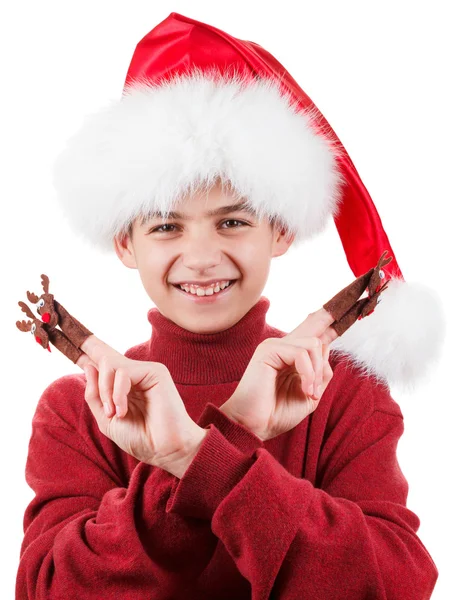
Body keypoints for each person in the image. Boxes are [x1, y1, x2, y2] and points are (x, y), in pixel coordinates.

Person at [16, 12, 444, 600]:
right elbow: (52, 590)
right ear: (124, 243)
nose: (200, 257)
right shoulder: (80, 412)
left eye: (233, 221)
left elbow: (393, 585)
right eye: (167, 225)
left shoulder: (347, 395)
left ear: (281, 231)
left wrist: (194, 454)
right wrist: (234, 431)